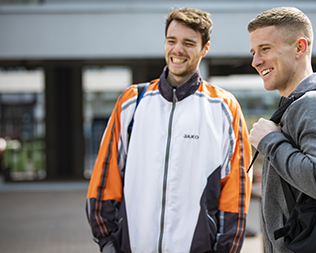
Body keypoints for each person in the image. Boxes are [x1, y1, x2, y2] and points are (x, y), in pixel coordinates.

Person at [86, 7, 252, 253]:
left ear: (205, 48)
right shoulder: (132, 102)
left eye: (188, 43)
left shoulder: (224, 107)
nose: (177, 50)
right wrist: (108, 242)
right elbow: (105, 174)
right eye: (171, 41)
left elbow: (236, 190)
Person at [247, 7, 316, 252]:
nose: (255, 61)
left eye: (265, 49)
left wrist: (271, 141)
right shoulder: (297, 106)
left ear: (300, 47)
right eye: (254, 52)